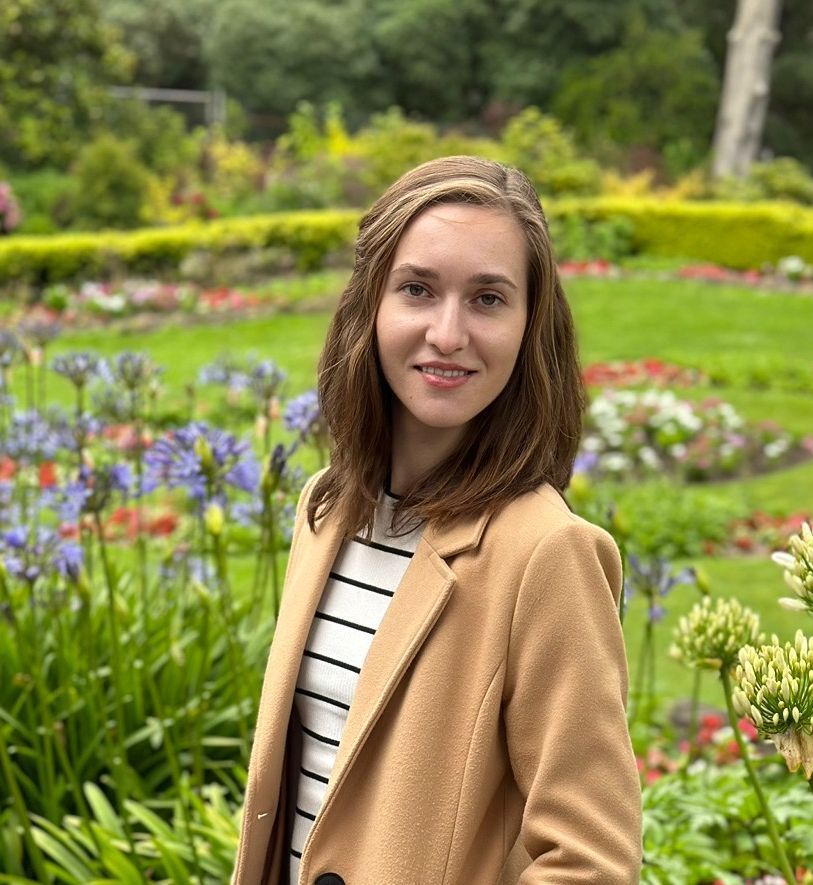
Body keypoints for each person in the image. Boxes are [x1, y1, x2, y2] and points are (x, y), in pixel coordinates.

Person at [232, 156, 642, 885]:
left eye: (487, 298)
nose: (447, 334)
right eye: (418, 289)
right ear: (371, 305)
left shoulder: (547, 554)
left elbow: (591, 860)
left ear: (528, 325)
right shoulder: (327, 508)